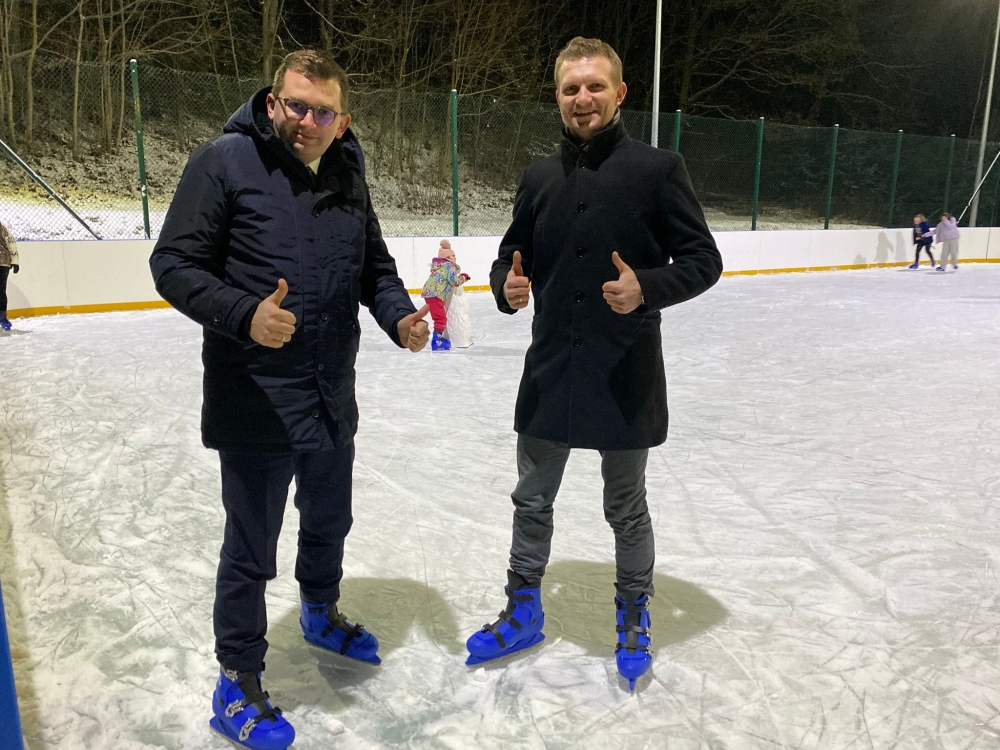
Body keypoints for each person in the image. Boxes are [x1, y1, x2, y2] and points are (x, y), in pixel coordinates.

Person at [149, 50, 429, 750]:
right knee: (251, 549)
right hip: (256, 398)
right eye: (296, 105)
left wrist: (399, 317)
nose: (307, 121)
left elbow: (374, 267)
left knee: (329, 519)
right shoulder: (222, 162)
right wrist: (244, 313)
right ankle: (235, 680)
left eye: (322, 112)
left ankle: (319, 611)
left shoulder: (347, 171)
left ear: (343, 122)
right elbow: (172, 264)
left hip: (330, 392)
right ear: (272, 102)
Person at [466, 37, 722, 691]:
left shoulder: (657, 169)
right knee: (531, 499)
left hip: (623, 371)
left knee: (626, 507)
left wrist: (648, 287)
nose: (582, 99)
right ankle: (523, 610)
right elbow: (510, 256)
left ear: (620, 93)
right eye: (570, 88)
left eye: (595, 86)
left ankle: (634, 614)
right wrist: (505, 286)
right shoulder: (538, 178)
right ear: (557, 97)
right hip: (551, 368)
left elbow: (704, 260)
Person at [421, 239, 464, 351]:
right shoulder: (449, 266)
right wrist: (463, 277)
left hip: (429, 292)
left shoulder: (439, 266)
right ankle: (437, 341)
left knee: (439, 316)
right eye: (453, 256)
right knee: (440, 318)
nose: (455, 258)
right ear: (448, 257)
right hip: (436, 294)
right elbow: (454, 281)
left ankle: (438, 338)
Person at [444, 270, 473, 348]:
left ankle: (459, 339)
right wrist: (463, 277)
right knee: (455, 317)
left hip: (453, 297)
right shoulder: (448, 272)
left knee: (457, 316)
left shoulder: (447, 271)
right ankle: (458, 340)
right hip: (452, 299)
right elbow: (455, 282)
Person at [0, 219, 19, 332]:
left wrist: (15, 261)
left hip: (2, 262)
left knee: (1, 290)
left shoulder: (2, 227)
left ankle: (2, 317)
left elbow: (11, 242)